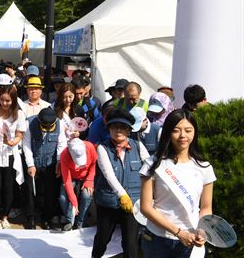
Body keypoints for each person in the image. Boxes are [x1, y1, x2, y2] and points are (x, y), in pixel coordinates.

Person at [140, 109, 215, 258]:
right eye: (176, 130)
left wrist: (202, 231)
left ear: (194, 132)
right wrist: (178, 232)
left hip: (191, 238)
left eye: (188, 130)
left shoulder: (204, 167)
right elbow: (146, 208)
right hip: (158, 239)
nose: (183, 136)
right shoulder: (153, 164)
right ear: (168, 132)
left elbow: (206, 208)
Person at [92, 108, 150, 258]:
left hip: (133, 204)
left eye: (123, 127)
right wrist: (122, 195)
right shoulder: (103, 148)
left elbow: (150, 168)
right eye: (114, 127)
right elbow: (108, 174)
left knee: (130, 244)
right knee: (102, 239)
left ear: (129, 130)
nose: (118, 130)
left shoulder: (138, 146)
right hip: (108, 202)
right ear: (109, 129)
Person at [0, 85, 26, 229]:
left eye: (8, 101)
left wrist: (10, 142)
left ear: (13, 100)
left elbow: (20, 135)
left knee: (8, 186)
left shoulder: (19, 114)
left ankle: (5, 216)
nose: (4, 103)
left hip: (10, 152)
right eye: (2, 100)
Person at [22, 107, 67, 230]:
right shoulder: (29, 123)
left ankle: (47, 218)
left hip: (50, 164)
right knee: (31, 192)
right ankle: (30, 218)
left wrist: (59, 161)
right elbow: (26, 145)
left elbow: (62, 144)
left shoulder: (60, 123)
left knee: (49, 193)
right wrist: (30, 164)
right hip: (34, 163)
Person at [58, 137, 97, 231]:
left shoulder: (90, 147)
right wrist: (74, 201)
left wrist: (89, 181)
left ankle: (80, 222)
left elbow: (93, 164)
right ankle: (70, 219)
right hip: (71, 178)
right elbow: (67, 180)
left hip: (86, 177)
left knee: (87, 195)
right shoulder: (64, 155)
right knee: (63, 198)